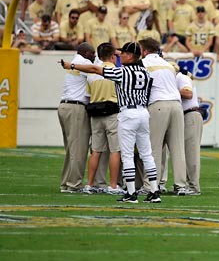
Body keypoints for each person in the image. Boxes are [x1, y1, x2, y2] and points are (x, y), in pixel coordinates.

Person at [60, 42, 161, 203]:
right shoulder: (145, 72)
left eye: (123, 53)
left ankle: (131, 193)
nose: (120, 55)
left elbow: (95, 69)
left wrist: (71, 65)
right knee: (146, 153)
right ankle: (154, 191)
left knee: (127, 155)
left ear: (130, 55)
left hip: (128, 113)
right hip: (143, 112)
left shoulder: (122, 72)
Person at [138, 38, 187, 195]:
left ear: (144, 51)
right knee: (178, 149)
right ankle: (181, 186)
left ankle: (150, 186)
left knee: (154, 148)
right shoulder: (167, 64)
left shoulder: (143, 63)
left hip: (158, 105)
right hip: (176, 106)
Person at [82, 43, 123, 195]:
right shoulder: (117, 72)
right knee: (115, 150)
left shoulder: (92, 75)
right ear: (113, 56)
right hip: (112, 113)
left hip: (96, 113)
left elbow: (88, 96)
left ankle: (90, 184)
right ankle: (113, 185)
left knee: (96, 151)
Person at [57, 43, 95, 193]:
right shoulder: (84, 63)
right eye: (92, 54)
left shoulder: (74, 60)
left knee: (71, 149)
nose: (94, 57)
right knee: (79, 149)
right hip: (76, 108)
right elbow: (95, 71)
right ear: (86, 52)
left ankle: (66, 183)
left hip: (64, 106)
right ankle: (74, 185)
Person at [176, 66, 203, 195]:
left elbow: (188, 94)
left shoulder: (181, 78)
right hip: (186, 115)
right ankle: (187, 184)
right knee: (186, 152)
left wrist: (172, 90)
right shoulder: (181, 78)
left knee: (191, 153)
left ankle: (193, 186)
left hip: (190, 115)